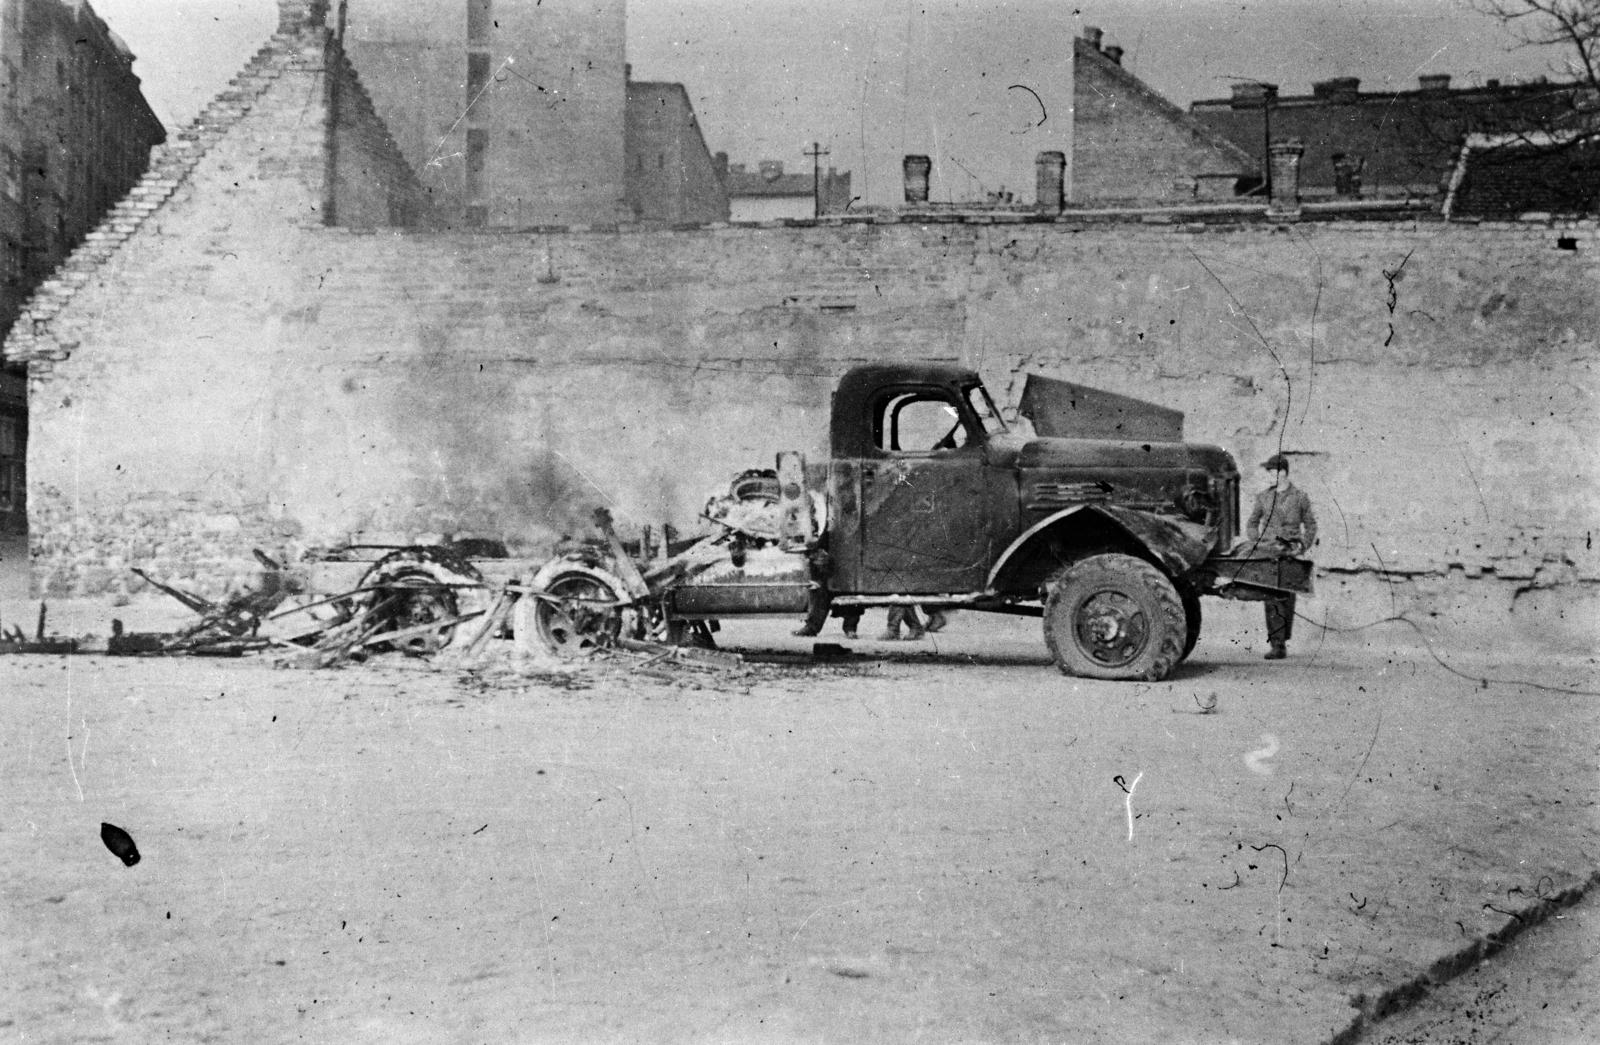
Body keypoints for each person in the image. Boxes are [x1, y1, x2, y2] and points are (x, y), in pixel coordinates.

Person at [1246, 453, 1317, 661]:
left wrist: (1302, 545)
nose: (1269, 475)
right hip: (1269, 553)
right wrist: (1257, 542)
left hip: (1290, 552)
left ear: (1283, 473)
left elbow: (1311, 525)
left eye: (1272, 471)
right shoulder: (1263, 497)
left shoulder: (1300, 497)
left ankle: (1282, 639)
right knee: (1271, 596)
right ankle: (1277, 644)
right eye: (1268, 472)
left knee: (1287, 596)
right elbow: (1252, 523)